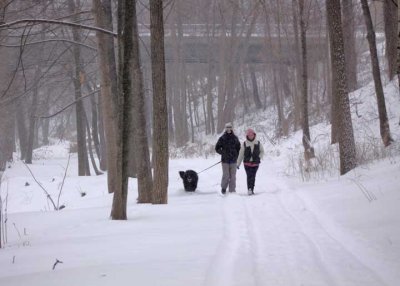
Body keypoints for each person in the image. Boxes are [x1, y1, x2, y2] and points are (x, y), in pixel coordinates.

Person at [237, 128, 264, 195]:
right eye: (249, 135)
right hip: (247, 163)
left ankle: (251, 189)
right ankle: (249, 189)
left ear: (254, 135)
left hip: (255, 163)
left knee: (253, 176)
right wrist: (238, 164)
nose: (250, 136)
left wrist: (259, 157)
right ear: (247, 136)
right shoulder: (244, 144)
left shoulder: (258, 143)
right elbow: (241, 154)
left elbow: (262, 151)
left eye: (252, 135)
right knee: (249, 175)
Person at [215, 122, 241, 194]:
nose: (228, 129)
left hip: (233, 161)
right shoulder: (222, 138)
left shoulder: (235, 138)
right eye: (227, 127)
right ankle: (223, 188)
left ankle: (232, 190)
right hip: (225, 161)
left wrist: (236, 155)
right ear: (225, 128)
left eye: (230, 127)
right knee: (226, 175)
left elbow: (239, 148)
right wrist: (223, 153)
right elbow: (217, 148)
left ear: (232, 128)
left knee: (233, 177)